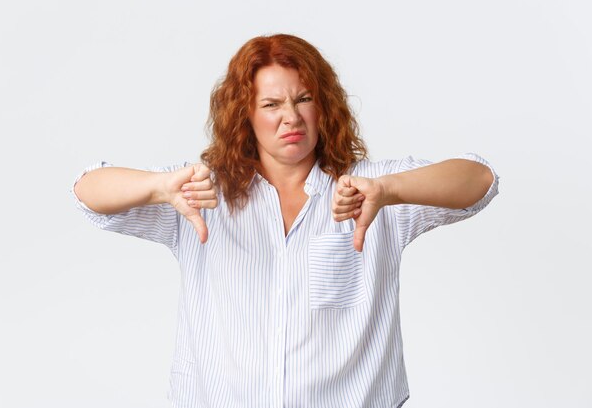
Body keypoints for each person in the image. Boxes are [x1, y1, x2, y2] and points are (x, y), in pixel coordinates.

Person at [72, 34, 499, 408]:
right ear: (246, 115)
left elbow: (480, 179)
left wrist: (392, 190)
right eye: (271, 104)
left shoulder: (372, 188)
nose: (290, 117)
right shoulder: (199, 192)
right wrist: (159, 186)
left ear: (324, 107)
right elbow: (87, 191)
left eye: (304, 99)